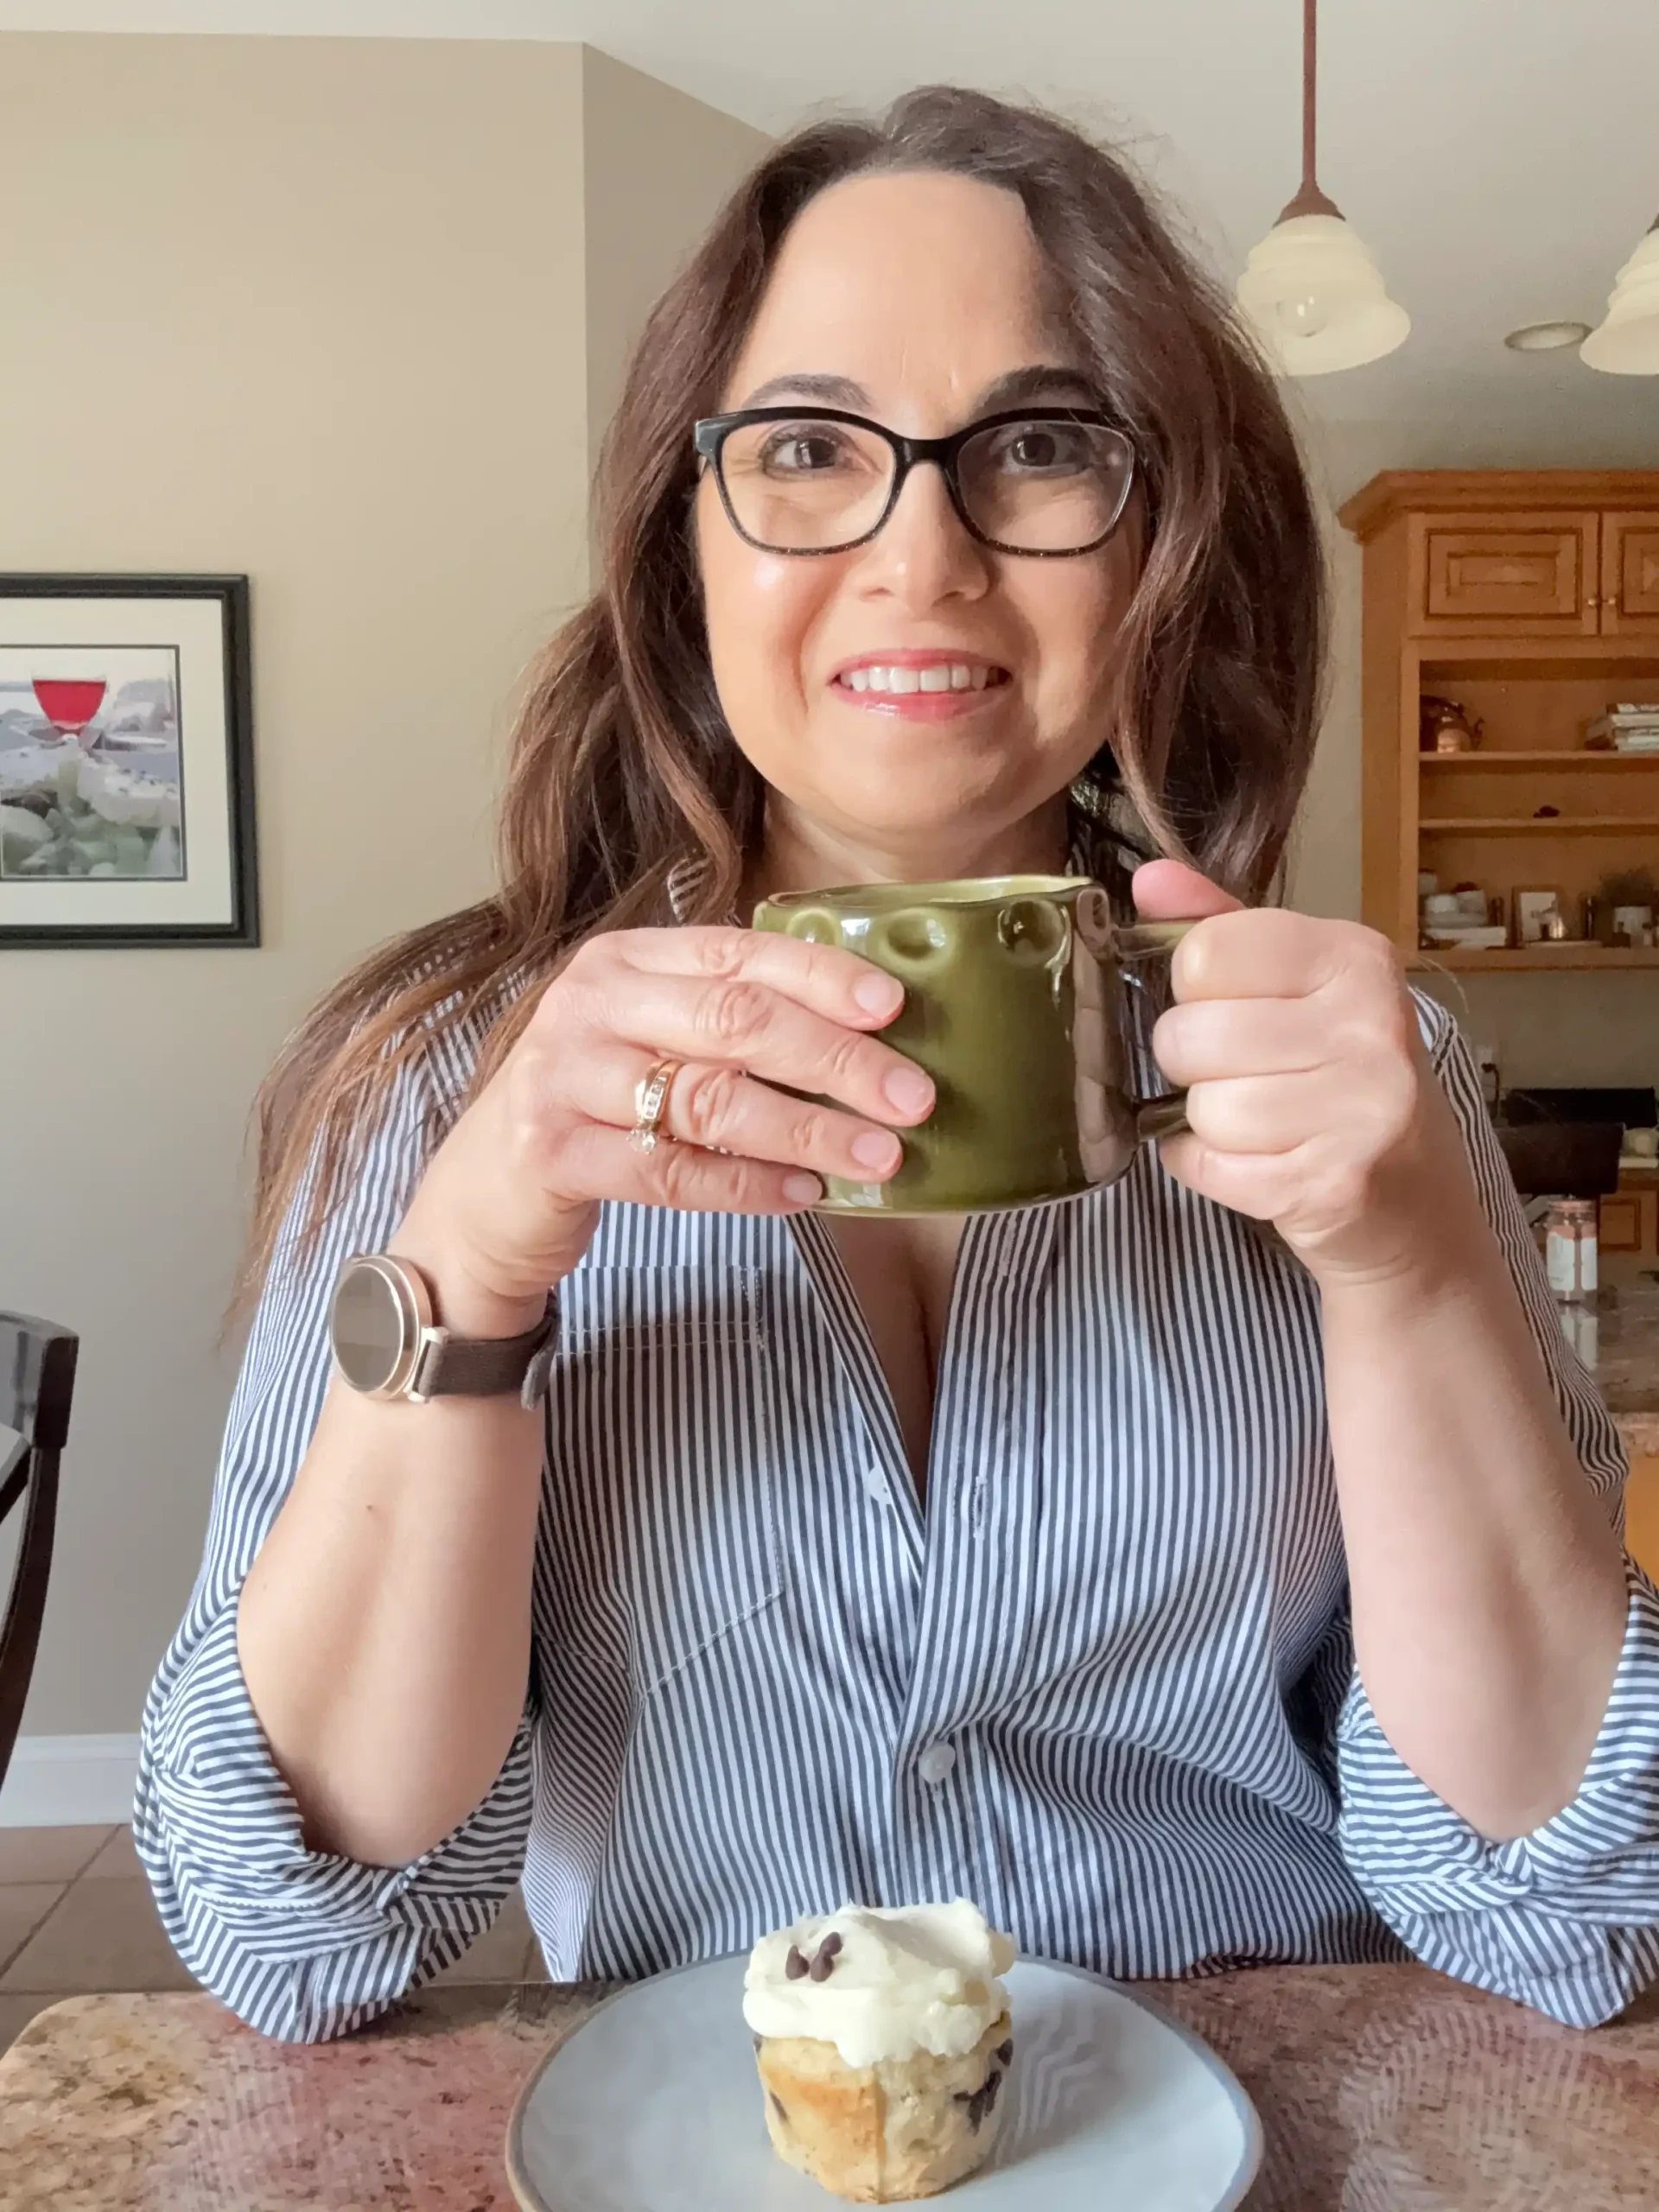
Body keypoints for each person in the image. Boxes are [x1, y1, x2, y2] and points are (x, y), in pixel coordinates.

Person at [136, 86, 1657, 2044]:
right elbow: (292, 1934)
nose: (919, 551)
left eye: (1035, 446)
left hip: (1268, 2141)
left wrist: (1415, 1262)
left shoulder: (1371, 1078)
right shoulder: (451, 1093)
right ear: (684, 542)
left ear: (1159, 541)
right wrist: (481, 1266)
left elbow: (1568, 1904)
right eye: (802, 446)